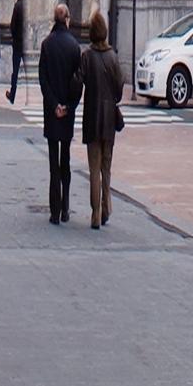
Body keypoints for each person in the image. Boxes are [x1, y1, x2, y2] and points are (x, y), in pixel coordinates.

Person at [79, 12, 127, 228]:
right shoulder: (113, 57)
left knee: (94, 168)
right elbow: (118, 90)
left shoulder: (87, 56)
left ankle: (95, 213)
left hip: (92, 117)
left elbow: (80, 81)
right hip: (108, 119)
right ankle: (107, 207)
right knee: (106, 167)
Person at [37, 2, 83, 224]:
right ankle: (65, 208)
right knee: (66, 159)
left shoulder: (47, 45)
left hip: (51, 110)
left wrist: (54, 104)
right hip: (67, 111)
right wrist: (69, 106)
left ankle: (54, 210)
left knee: (53, 162)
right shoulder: (74, 46)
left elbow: (42, 79)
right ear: (66, 19)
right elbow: (79, 82)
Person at [7, 0, 29, 106]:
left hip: (18, 43)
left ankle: (12, 95)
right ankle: (28, 97)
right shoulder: (27, 6)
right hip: (25, 42)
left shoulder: (18, 6)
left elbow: (12, 25)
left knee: (15, 71)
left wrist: (14, 36)